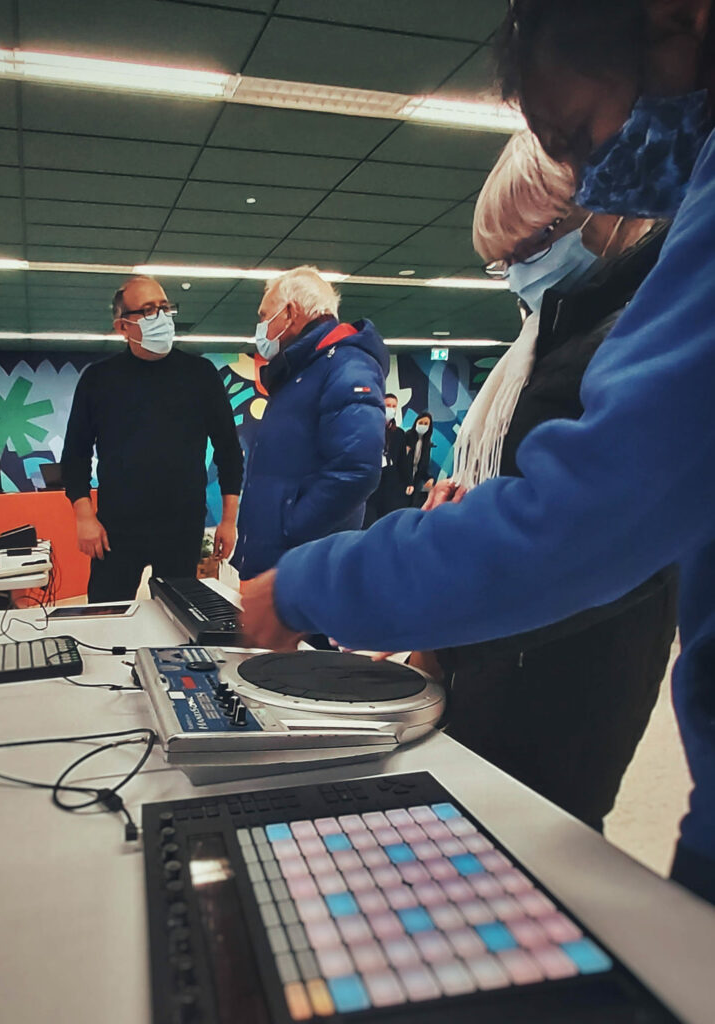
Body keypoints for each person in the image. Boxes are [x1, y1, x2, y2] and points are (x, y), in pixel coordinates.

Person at [242, 0, 715, 904]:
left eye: (578, 132)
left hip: (565, 675)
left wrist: (310, 585)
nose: (588, 171)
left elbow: (582, 518)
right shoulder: (576, 318)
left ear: (673, 23)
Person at [424, 129, 675, 831]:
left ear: (613, 211)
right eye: (499, 261)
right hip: (508, 656)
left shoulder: (637, 346)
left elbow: (580, 545)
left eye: (529, 247)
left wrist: (435, 631)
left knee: (535, 851)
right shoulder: (556, 336)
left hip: (573, 678)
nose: (514, 275)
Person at [61, 275, 243, 602]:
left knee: (180, 619)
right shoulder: (99, 380)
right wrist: (84, 517)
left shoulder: (200, 374)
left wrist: (229, 520)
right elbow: (75, 455)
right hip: (116, 528)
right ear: (123, 327)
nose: (160, 317)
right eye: (147, 310)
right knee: (105, 618)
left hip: (182, 526)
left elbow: (229, 451)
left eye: (164, 307)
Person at [231, 266, 388, 583]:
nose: (260, 327)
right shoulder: (301, 371)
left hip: (305, 567)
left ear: (290, 313)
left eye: (264, 316)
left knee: (304, 636)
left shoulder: (347, 365)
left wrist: (289, 528)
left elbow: (357, 469)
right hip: (280, 561)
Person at [363, 394, 409, 526]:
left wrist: (408, 481)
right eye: (388, 405)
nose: (391, 409)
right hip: (372, 479)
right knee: (369, 519)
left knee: (387, 519)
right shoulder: (369, 429)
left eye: (394, 406)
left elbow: (402, 460)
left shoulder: (399, 433)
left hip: (390, 481)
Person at [404, 411, 436, 508]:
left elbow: (423, 466)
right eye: (421, 423)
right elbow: (402, 462)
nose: (423, 426)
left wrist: (429, 478)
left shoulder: (427, 444)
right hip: (403, 479)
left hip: (416, 482)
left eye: (426, 424)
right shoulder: (407, 436)